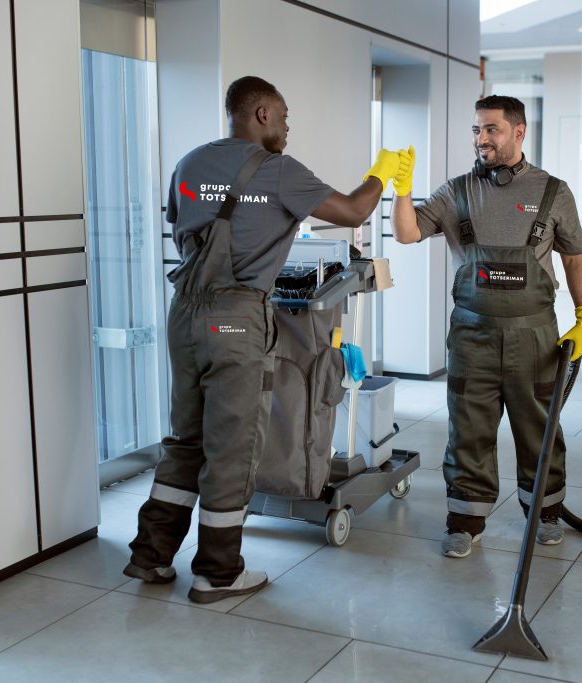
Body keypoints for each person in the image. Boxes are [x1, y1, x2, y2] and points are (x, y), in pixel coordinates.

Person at [126, 76, 409, 602]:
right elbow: (352, 211)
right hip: (236, 319)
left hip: (184, 314)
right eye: (283, 118)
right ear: (260, 114)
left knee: (186, 438)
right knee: (233, 446)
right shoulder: (278, 171)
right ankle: (218, 571)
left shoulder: (188, 164)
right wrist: (381, 173)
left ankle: (151, 555)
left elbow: (183, 226)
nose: (286, 128)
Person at [390, 95, 582, 558]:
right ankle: (465, 520)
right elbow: (406, 233)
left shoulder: (553, 192)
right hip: (472, 335)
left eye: (491, 130)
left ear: (519, 133)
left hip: (535, 335)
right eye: (476, 130)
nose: (481, 139)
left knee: (539, 427)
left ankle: (545, 512)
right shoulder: (456, 190)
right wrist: (402, 189)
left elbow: (575, 255)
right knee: (469, 428)